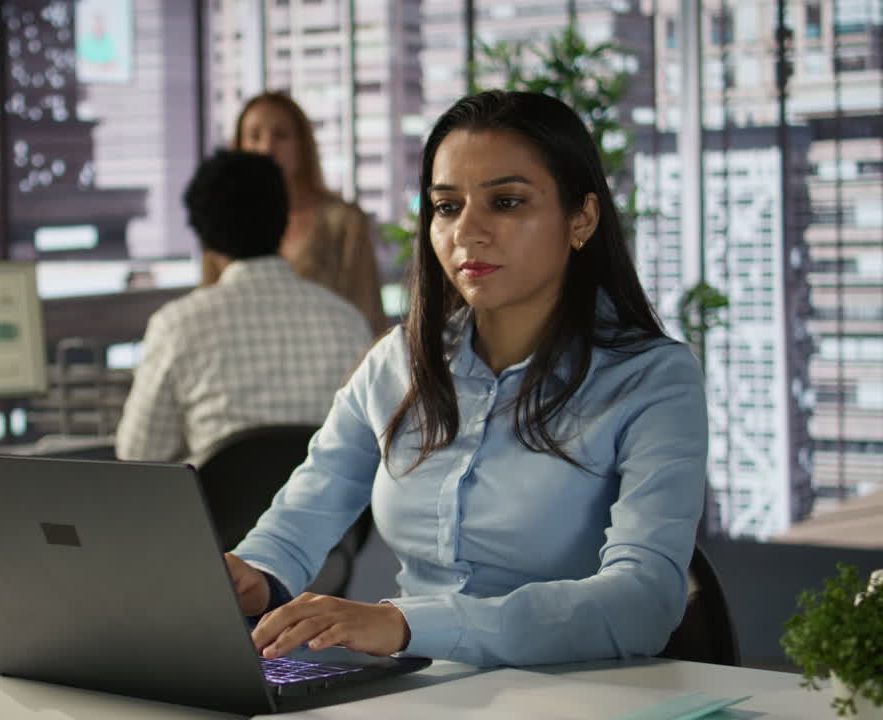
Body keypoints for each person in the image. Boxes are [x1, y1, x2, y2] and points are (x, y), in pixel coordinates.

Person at [225, 90, 709, 668]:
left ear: (581, 218)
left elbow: (643, 602)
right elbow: (302, 514)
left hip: (573, 695)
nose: (467, 232)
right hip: (419, 690)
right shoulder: (397, 362)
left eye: (506, 202)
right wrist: (253, 576)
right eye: (447, 206)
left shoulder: (653, 379)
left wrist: (409, 624)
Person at [115, 150, 373, 466]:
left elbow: (138, 453)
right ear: (284, 220)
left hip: (216, 515)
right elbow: (367, 450)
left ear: (203, 236)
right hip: (328, 514)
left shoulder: (176, 326)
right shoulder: (347, 322)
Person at [202, 91, 389, 336]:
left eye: (280, 135)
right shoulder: (223, 221)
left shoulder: (344, 222)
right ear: (239, 148)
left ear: (302, 145)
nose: (267, 147)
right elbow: (208, 305)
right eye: (254, 136)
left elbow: (368, 313)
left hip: (333, 362)